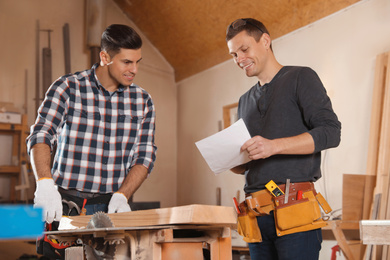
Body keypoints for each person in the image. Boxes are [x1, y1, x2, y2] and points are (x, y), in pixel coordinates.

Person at [26, 24, 157, 258]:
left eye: (138, 62)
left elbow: (144, 155)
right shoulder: (68, 87)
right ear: (105, 57)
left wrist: (123, 195)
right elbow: (42, 134)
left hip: (110, 207)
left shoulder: (143, 100)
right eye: (127, 62)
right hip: (64, 205)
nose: (134, 69)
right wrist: (45, 183)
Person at [226, 18, 341, 259]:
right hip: (255, 214)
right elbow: (252, 160)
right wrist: (234, 162)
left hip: (294, 208)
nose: (239, 59)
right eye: (233, 54)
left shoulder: (301, 77)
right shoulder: (244, 101)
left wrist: (273, 146)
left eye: (244, 49)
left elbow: (331, 132)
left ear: (265, 41)